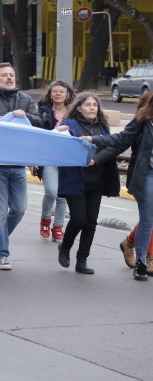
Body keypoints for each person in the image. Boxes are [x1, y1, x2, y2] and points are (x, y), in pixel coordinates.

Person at [0, 62, 42, 271]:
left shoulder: (25, 99)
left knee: (20, 209)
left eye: (11, 74)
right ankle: (1, 255)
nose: (9, 78)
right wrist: (0, 122)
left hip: (18, 164)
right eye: (4, 75)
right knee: (0, 213)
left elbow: (40, 122)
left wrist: (27, 116)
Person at [86, 93, 153, 281]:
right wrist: (94, 140)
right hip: (147, 174)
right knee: (148, 219)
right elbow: (120, 140)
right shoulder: (144, 120)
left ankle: (130, 244)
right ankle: (141, 263)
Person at [56, 92, 120, 275]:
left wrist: (95, 160)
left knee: (91, 223)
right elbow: (63, 146)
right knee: (79, 219)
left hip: (97, 180)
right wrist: (60, 132)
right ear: (78, 108)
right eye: (88, 105)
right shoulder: (71, 125)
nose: (92, 108)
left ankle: (82, 260)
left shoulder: (102, 127)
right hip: (75, 180)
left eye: (95, 105)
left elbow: (112, 147)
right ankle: (65, 247)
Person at [34, 80, 74, 242]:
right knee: (51, 191)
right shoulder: (43, 112)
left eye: (61, 91)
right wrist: (34, 160)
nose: (58, 94)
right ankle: (45, 220)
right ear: (50, 94)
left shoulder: (73, 113)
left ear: (67, 95)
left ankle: (58, 227)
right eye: (55, 91)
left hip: (66, 159)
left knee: (62, 195)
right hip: (48, 157)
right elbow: (37, 136)